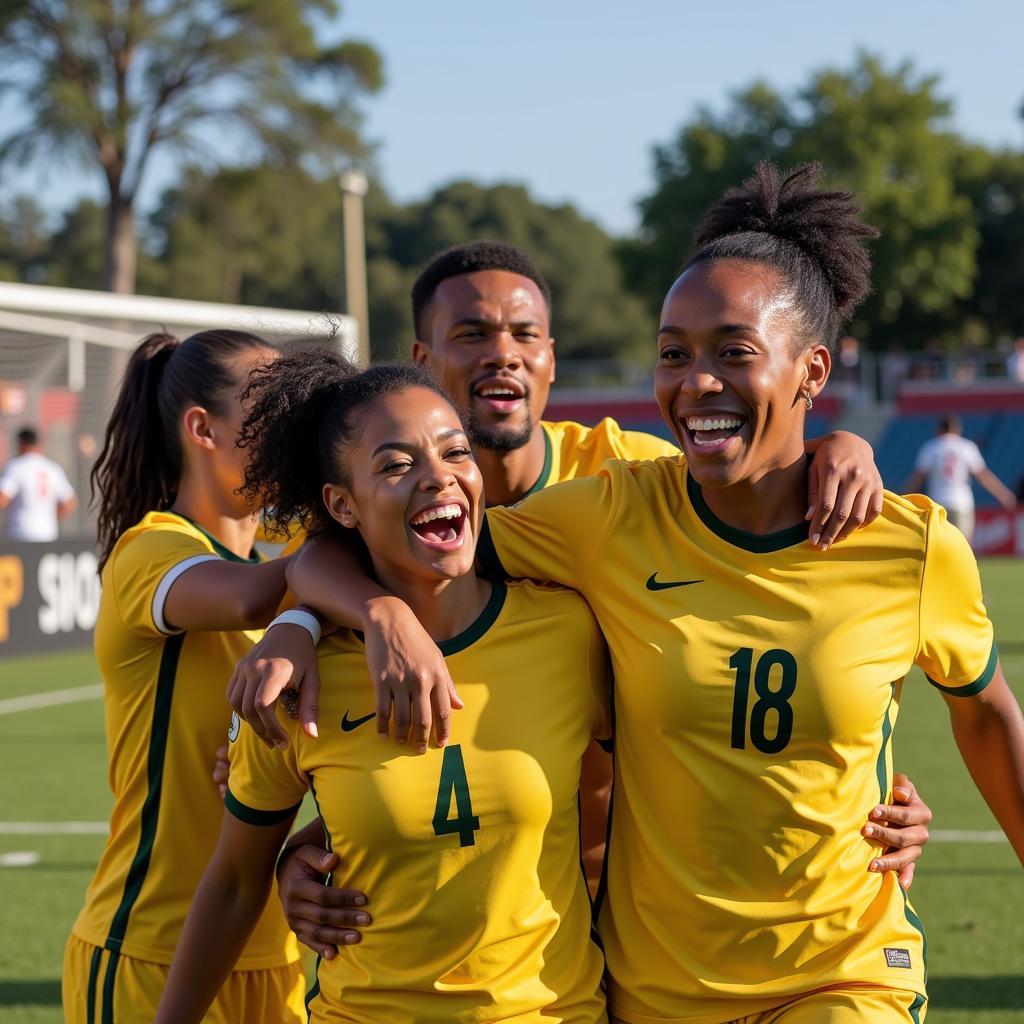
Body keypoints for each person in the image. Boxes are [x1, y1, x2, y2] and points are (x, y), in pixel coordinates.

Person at [260, 164, 1024, 1022]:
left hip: (845, 970)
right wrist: (333, 616)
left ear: (812, 369)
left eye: (733, 352)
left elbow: (990, 717)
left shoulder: (908, 543)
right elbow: (395, 549)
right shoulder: (608, 513)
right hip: (654, 984)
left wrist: (844, 442)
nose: (696, 382)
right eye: (672, 354)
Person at [155, 357, 611, 1024]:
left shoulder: (568, 631)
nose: (438, 476)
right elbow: (230, 884)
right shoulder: (296, 680)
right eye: (397, 465)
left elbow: (619, 809)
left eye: (457, 451)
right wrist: (290, 866)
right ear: (343, 504)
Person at [62, 331, 308, 1024]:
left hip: (271, 955)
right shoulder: (152, 549)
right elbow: (248, 598)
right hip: (148, 952)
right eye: (272, 410)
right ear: (201, 427)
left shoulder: (290, 584)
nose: (293, 429)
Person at [906, 415, 1017, 542]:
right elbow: (983, 476)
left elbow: (918, 478)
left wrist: (903, 496)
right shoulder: (966, 447)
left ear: (939, 429)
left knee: (940, 544)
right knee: (963, 546)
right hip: (961, 502)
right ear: (957, 429)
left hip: (938, 502)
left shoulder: (931, 448)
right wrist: (1003, 494)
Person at [0, 425, 77, 540]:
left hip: (20, 533)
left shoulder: (16, 466)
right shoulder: (52, 468)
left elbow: (3, 499)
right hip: (48, 533)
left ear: (21, 444)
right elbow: (70, 503)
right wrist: (50, 519)